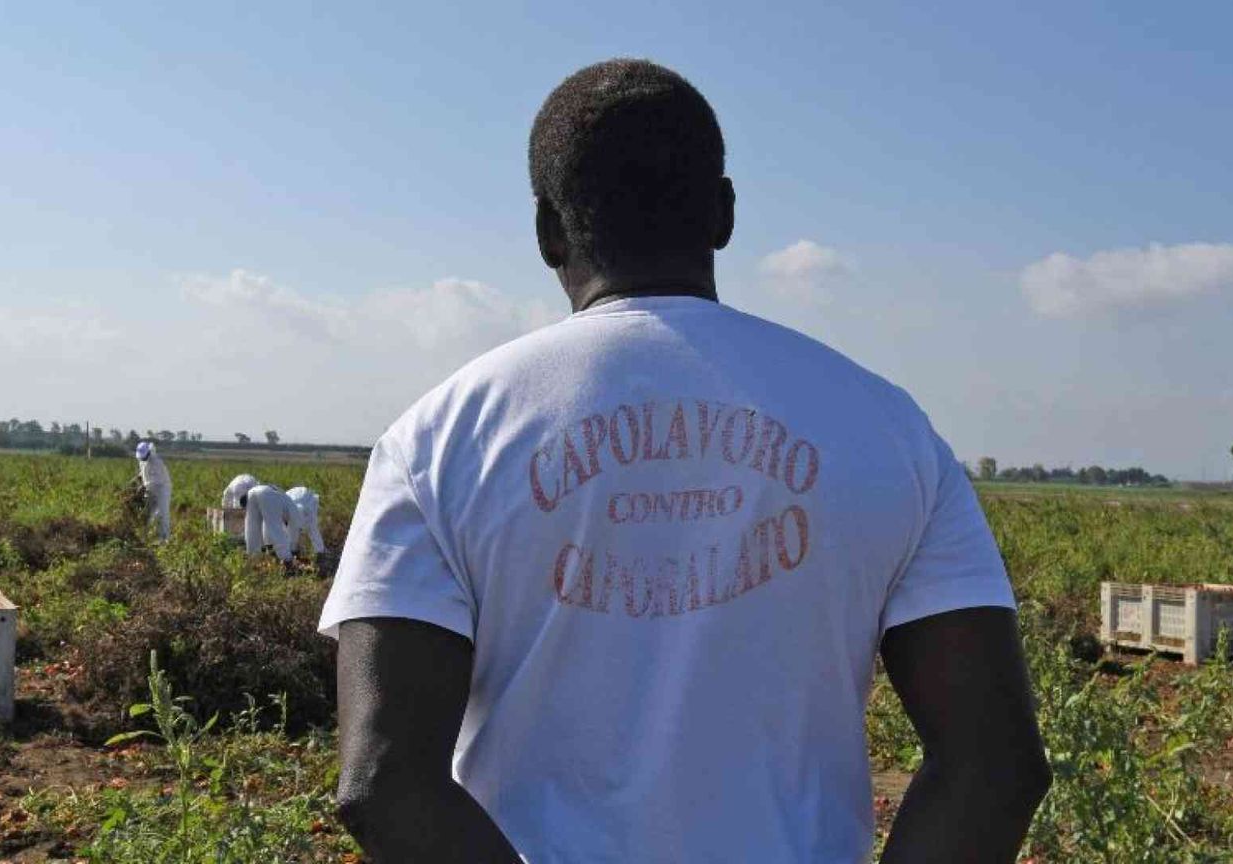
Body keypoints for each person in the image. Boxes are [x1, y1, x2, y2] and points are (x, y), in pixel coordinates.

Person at [320, 59, 1049, 863]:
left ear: (548, 231)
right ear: (724, 213)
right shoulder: (889, 431)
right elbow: (996, 766)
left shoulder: (437, 442)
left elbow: (383, 780)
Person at [242, 484, 302, 562]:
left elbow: (267, 526)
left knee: (252, 526)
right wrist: (293, 551)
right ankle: (286, 559)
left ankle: (253, 556)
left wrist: (269, 545)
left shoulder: (288, 504)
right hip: (268, 494)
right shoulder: (295, 514)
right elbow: (292, 535)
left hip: (252, 492)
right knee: (276, 528)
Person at [134, 441, 171, 540]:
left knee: (162, 514)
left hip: (162, 489)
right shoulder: (142, 459)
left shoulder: (157, 462)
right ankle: (146, 537)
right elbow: (144, 472)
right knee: (147, 514)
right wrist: (137, 478)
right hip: (150, 489)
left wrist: (143, 486)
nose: (142, 459)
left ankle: (164, 539)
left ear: (148, 453)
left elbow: (155, 480)